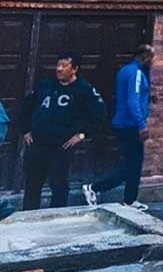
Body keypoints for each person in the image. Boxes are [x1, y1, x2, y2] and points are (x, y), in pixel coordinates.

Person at [17, 52, 106, 211]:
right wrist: (25, 130)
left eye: (64, 66)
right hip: (38, 143)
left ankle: (56, 216)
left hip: (61, 146)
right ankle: (28, 216)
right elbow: (25, 107)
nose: (59, 69)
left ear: (74, 69)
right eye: (58, 65)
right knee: (32, 183)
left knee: (58, 183)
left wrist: (82, 134)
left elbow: (99, 115)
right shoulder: (45, 85)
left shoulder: (84, 90)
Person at [83, 44, 154, 210]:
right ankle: (96, 187)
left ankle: (130, 199)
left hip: (123, 122)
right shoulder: (136, 73)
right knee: (133, 164)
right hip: (130, 125)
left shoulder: (124, 70)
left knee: (132, 163)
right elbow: (132, 100)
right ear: (145, 57)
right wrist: (141, 124)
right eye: (152, 57)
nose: (153, 61)